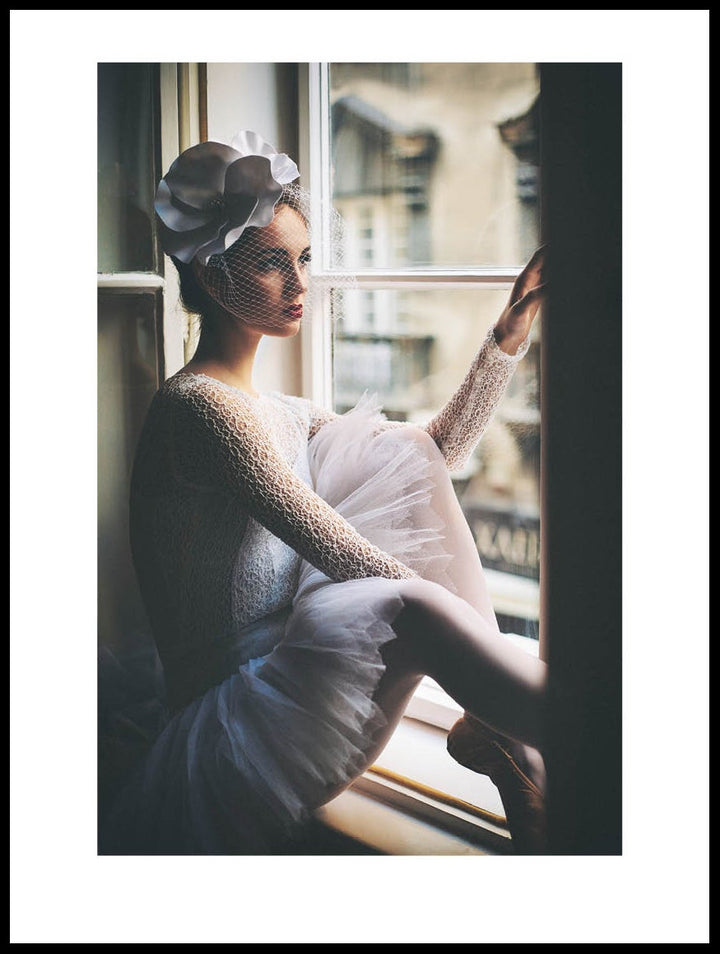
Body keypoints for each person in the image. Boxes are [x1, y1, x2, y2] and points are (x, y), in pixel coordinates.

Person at [101, 131, 549, 855]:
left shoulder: (278, 409)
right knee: (407, 604)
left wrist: (507, 335)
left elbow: (432, 461)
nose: (301, 283)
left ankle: (520, 752)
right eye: (273, 264)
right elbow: (332, 545)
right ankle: (583, 732)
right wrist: (452, 636)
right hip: (237, 732)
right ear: (215, 278)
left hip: (290, 683)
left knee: (401, 449)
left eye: (303, 259)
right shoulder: (197, 407)